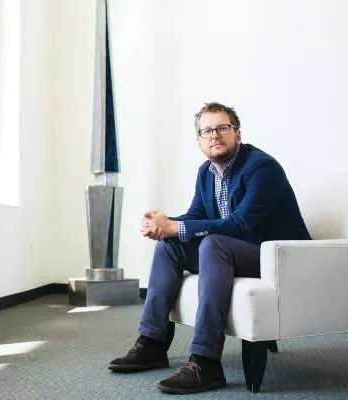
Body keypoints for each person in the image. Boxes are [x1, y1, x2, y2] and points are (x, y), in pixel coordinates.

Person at [108, 102, 311, 394]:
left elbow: (240, 224)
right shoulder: (207, 172)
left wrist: (175, 227)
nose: (214, 135)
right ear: (199, 140)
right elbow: (197, 216)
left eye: (222, 128)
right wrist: (164, 225)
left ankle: (205, 362)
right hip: (237, 252)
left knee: (213, 244)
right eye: (207, 131)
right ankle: (152, 342)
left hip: (278, 256)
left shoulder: (262, 168)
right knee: (171, 245)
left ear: (237, 134)